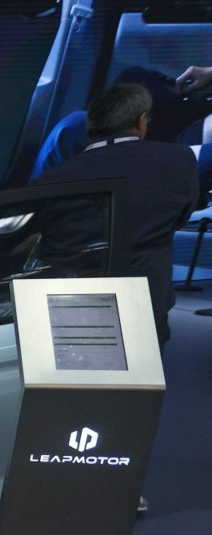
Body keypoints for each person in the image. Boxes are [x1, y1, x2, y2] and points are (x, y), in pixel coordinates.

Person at [34, 83, 199, 345]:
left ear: (90, 125)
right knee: (143, 368)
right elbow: (183, 213)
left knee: (74, 366)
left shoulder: (49, 182)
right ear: (141, 120)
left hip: (69, 304)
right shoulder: (178, 160)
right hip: (146, 300)